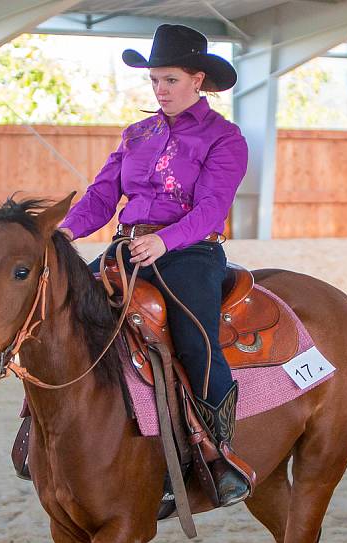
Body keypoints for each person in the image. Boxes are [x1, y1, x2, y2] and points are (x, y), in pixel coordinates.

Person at [59, 24, 252, 507]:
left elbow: (211, 207)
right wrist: (66, 231)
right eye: (154, 81)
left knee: (196, 339)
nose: (160, 90)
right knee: (64, 319)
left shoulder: (225, 139)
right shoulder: (136, 134)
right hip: (126, 251)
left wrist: (165, 242)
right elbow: (103, 194)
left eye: (169, 80)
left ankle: (216, 453)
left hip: (189, 253)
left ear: (198, 79)